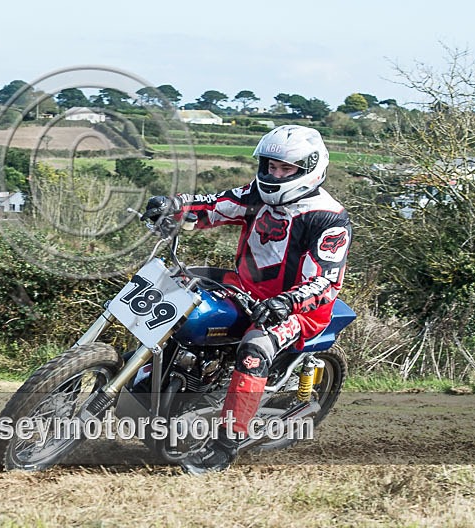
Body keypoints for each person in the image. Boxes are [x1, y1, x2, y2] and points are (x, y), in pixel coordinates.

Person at [141, 125, 351, 473]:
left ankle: (226, 444)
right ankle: (155, 379)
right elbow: (216, 206)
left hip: (299, 309)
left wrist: (286, 303)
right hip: (244, 286)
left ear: (309, 168)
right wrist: (173, 207)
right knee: (172, 289)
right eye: (270, 166)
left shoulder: (328, 218)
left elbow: (327, 282)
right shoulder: (257, 193)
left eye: (286, 169)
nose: (275, 174)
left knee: (254, 350)